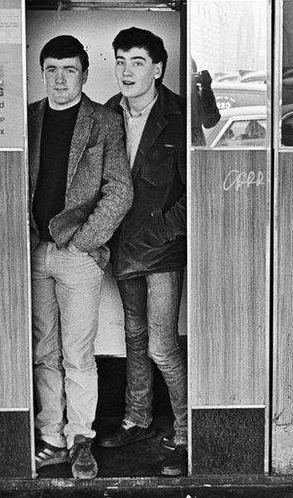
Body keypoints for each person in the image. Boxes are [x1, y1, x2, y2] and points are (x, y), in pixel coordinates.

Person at [29, 35, 133, 479]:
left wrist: (85, 243)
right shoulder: (29, 117)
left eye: (69, 69)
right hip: (33, 251)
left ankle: (80, 439)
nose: (59, 78)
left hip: (77, 253)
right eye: (51, 68)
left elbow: (119, 191)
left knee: (78, 352)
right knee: (43, 349)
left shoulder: (103, 121)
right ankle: (50, 437)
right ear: (42, 72)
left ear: (85, 74)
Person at [98, 27, 189, 477]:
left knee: (162, 345)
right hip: (122, 248)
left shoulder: (178, 116)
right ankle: (137, 420)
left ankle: (188, 430)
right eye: (120, 61)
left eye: (136, 61)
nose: (126, 70)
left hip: (161, 252)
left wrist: (161, 236)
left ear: (157, 68)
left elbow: (195, 195)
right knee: (133, 339)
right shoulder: (109, 117)